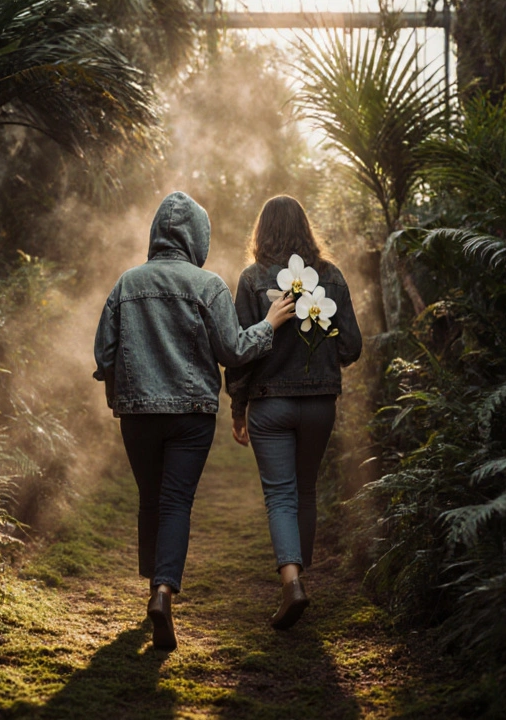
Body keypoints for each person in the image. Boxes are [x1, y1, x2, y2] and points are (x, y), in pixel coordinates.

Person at [93, 191, 295, 651]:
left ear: (156, 233)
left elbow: (104, 353)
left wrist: (118, 391)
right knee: (176, 502)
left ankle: (152, 591)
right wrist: (270, 322)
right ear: (198, 238)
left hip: (138, 414)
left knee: (151, 498)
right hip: (192, 415)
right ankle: (164, 592)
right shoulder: (209, 286)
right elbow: (234, 351)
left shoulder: (126, 284)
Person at [226, 195, 363, 630]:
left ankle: (292, 583)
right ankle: (299, 582)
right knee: (306, 490)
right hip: (320, 405)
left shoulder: (251, 280)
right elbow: (351, 347)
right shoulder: (332, 277)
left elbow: (239, 353)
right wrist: (323, 340)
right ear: (307, 229)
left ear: (261, 232)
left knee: (281, 495)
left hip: (270, 403)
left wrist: (238, 407)